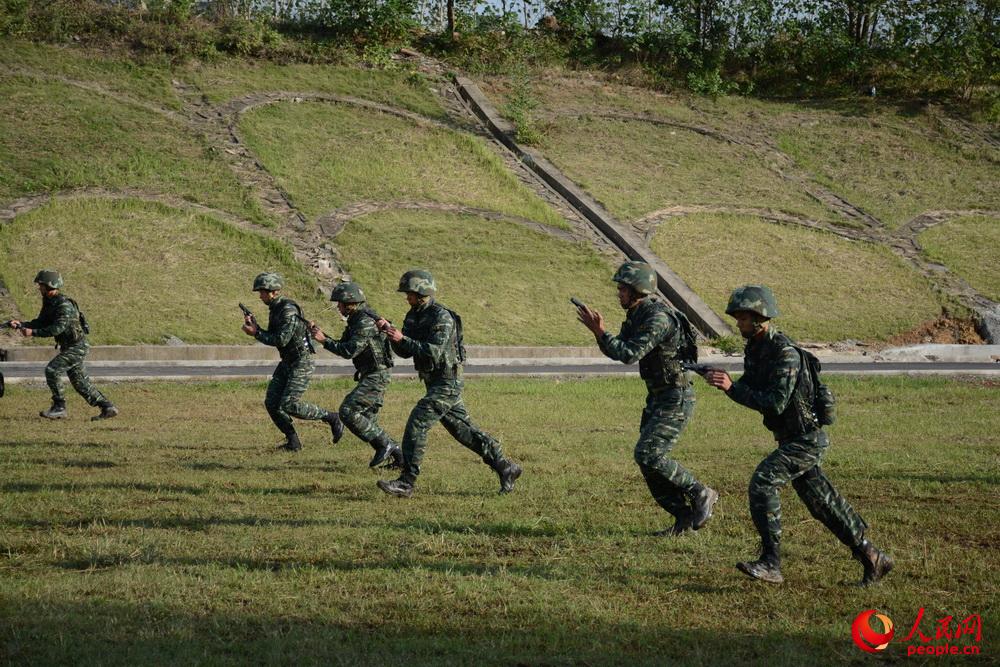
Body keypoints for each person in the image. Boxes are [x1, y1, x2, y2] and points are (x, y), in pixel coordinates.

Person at [703, 285, 893, 586]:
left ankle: (771, 563)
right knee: (824, 504)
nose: (737, 323)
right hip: (790, 439)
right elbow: (751, 389)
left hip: (805, 439)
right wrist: (722, 380)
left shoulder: (784, 354)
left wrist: (731, 387)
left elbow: (774, 401)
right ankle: (873, 557)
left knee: (763, 482)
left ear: (759, 318)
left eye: (742, 318)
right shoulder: (757, 349)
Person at [576, 260, 718, 535]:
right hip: (657, 397)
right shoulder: (637, 315)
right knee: (646, 460)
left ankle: (701, 492)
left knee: (648, 452)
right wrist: (600, 333)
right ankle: (683, 517)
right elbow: (619, 351)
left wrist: (601, 332)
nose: (619, 293)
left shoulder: (658, 318)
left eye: (622, 289)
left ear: (637, 290)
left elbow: (630, 354)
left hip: (675, 397)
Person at [374, 269, 521, 498]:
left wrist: (404, 338)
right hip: (433, 383)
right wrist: (391, 335)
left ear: (421, 292)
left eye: (409, 293)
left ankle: (406, 482)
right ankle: (506, 467)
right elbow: (404, 352)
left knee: (418, 422)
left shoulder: (442, 317)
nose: (406, 297)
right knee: (464, 431)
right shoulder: (413, 315)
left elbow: (433, 351)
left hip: (447, 382)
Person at [241, 272, 343, 452]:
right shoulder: (276, 308)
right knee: (272, 402)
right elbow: (275, 336)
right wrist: (257, 328)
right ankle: (293, 442)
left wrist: (256, 333)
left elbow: (281, 340)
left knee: (289, 404)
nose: (260, 295)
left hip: (301, 361)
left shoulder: (287, 310)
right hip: (287, 361)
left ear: (274, 291)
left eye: (263, 292)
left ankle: (331, 417)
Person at [310, 281, 402, 469]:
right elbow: (342, 345)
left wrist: (324, 341)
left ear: (349, 303)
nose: (338, 307)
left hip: (376, 375)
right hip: (371, 373)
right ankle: (401, 459)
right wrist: (320, 335)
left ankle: (385, 445)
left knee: (348, 411)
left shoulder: (364, 322)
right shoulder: (357, 319)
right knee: (368, 420)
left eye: (340, 304)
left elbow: (349, 351)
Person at [8, 270, 118, 420]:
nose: (39, 288)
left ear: (49, 286)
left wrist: (33, 333)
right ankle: (107, 407)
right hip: (69, 347)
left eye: (41, 285)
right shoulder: (50, 302)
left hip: (77, 347)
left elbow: (56, 328)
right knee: (80, 383)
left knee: (52, 370)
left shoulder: (63, 305)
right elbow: (41, 322)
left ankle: (59, 407)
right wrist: (21, 324)